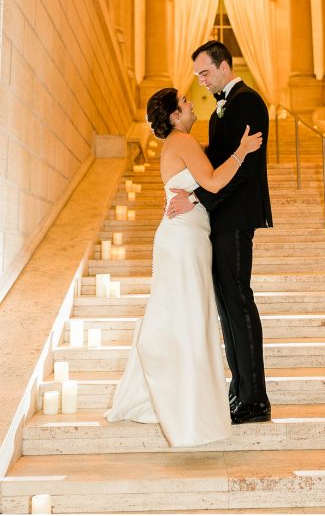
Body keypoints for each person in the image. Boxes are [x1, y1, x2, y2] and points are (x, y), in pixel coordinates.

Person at [105, 87, 262, 447]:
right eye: (186, 102)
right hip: (184, 239)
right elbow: (213, 181)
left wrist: (192, 197)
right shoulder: (183, 141)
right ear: (176, 115)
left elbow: (200, 188)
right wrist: (242, 151)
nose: (192, 104)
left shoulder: (178, 143)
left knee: (185, 314)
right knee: (189, 316)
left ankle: (177, 392)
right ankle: (187, 404)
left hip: (183, 236)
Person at [167, 40, 272, 425]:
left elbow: (244, 168)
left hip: (237, 217)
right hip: (219, 220)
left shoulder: (247, 102)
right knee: (227, 307)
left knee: (239, 302)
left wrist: (197, 199)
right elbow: (214, 163)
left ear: (224, 67)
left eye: (205, 73)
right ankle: (239, 390)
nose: (200, 80)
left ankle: (256, 399)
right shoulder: (219, 110)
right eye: (197, 75)